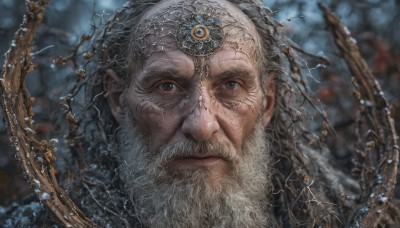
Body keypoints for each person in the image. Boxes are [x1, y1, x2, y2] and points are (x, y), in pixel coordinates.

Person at [0, 0, 366, 227]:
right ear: (116, 99)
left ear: (267, 103)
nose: (202, 125)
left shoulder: (350, 218)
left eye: (232, 85)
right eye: (167, 86)